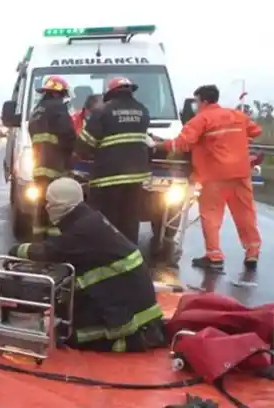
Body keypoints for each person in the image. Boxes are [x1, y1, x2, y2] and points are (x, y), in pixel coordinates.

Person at [8, 177, 166, 353]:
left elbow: (49, 252)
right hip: (132, 302)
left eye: (49, 202)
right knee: (67, 314)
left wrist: (16, 250)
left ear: (60, 205)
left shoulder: (82, 230)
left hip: (130, 318)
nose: (46, 207)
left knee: (71, 337)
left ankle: (134, 340)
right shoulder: (89, 220)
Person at [151, 84, 262, 271]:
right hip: (240, 173)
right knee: (245, 214)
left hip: (214, 175)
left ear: (202, 101)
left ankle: (214, 256)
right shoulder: (237, 115)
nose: (196, 105)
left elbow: (182, 144)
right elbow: (255, 131)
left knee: (211, 216)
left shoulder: (201, 119)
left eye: (196, 101)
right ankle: (252, 252)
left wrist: (158, 144)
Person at [76, 77, 151, 245]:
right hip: (136, 177)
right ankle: (129, 255)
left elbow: (85, 144)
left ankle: (107, 254)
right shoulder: (142, 110)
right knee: (130, 219)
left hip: (108, 177)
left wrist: (78, 154)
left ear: (110, 93)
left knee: (106, 221)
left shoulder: (103, 111)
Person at [27, 75, 77, 238]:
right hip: (55, 164)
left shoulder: (37, 111)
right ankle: (56, 241)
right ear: (58, 93)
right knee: (57, 203)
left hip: (39, 164)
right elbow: (68, 134)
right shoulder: (58, 109)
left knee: (42, 202)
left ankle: (39, 238)